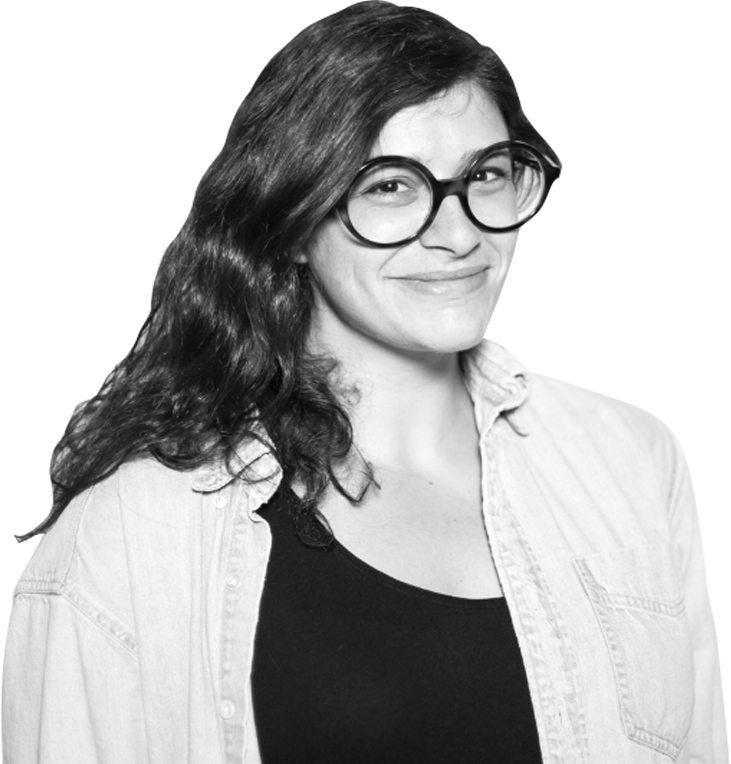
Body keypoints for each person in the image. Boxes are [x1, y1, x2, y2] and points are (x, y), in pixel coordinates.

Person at [1, 0, 727, 761]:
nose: (459, 234)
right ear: (290, 220)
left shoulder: (630, 461)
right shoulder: (135, 533)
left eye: (485, 174)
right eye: (388, 187)